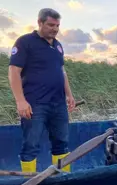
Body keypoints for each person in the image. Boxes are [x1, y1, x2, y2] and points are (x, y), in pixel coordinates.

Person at [8, 8, 75, 173]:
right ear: (40, 22)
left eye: (57, 25)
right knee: (31, 145)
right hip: (34, 104)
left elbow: (62, 71)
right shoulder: (25, 42)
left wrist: (69, 95)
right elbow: (14, 71)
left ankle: (64, 177)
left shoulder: (58, 46)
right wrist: (20, 101)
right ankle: (30, 179)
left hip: (58, 104)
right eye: (51, 25)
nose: (55, 29)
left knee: (62, 143)